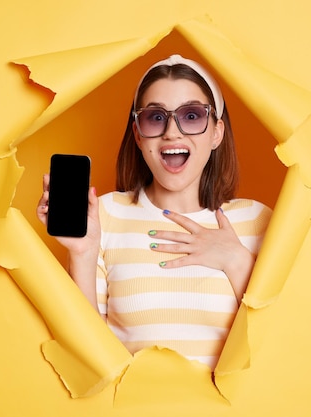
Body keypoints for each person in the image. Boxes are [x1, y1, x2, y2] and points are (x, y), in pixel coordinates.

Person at [37, 55, 272, 369]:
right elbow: (87, 355)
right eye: (156, 117)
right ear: (137, 133)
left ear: (216, 132)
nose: (172, 133)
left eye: (191, 115)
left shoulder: (258, 221)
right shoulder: (105, 216)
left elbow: (282, 344)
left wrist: (236, 260)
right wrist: (84, 252)